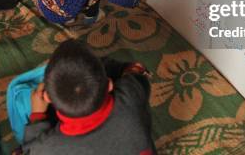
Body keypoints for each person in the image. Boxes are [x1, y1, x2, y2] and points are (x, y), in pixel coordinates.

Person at [22, 39, 156, 154]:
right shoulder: (131, 95)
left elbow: (30, 150)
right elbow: (138, 76)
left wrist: (37, 115)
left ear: (47, 97)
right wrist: (132, 69)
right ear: (109, 85)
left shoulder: (47, 148)